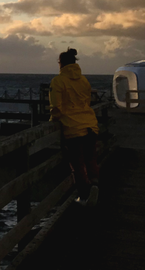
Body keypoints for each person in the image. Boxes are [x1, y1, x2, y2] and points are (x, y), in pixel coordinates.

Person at [49, 47, 99, 206]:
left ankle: (85, 195)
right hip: (90, 125)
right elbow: (87, 102)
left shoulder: (58, 81)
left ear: (60, 63)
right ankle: (96, 186)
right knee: (90, 160)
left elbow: (56, 107)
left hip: (73, 127)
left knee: (77, 164)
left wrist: (53, 121)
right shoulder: (84, 80)